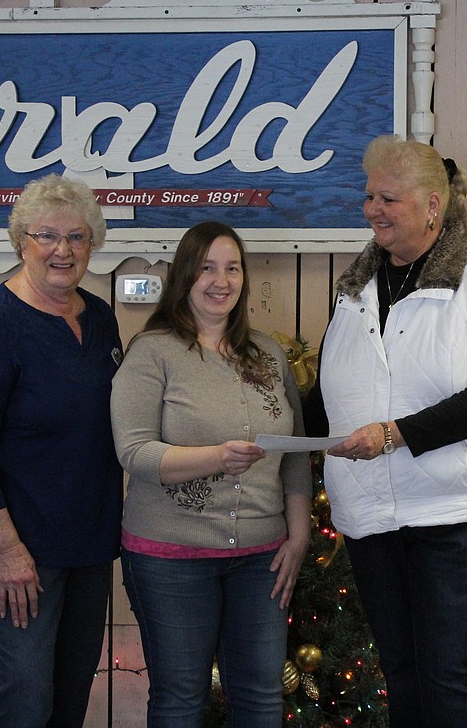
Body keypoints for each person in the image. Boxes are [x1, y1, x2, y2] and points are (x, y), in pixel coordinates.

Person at [304, 135, 467, 727]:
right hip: (375, 515)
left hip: (461, 513)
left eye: (389, 198)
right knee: (401, 673)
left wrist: (393, 434)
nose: (373, 208)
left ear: (433, 205)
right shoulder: (353, 293)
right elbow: (331, 396)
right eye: (369, 196)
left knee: (450, 676)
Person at [0, 174, 124, 727]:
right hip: (19, 552)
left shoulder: (99, 317)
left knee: (67, 700)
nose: (62, 250)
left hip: (87, 544)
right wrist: (8, 551)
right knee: (19, 701)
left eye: (78, 237)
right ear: (22, 240)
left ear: (93, 244)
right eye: (47, 235)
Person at [111, 221, 312, 727]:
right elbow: (134, 453)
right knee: (181, 699)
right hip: (170, 559)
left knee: (262, 698)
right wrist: (216, 457)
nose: (220, 281)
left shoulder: (268, 354)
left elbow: (293, 455)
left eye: (232, 268)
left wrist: (299, 535)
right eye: (206, 268)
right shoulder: (151, 352)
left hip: (262, 558)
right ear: (185, 276)